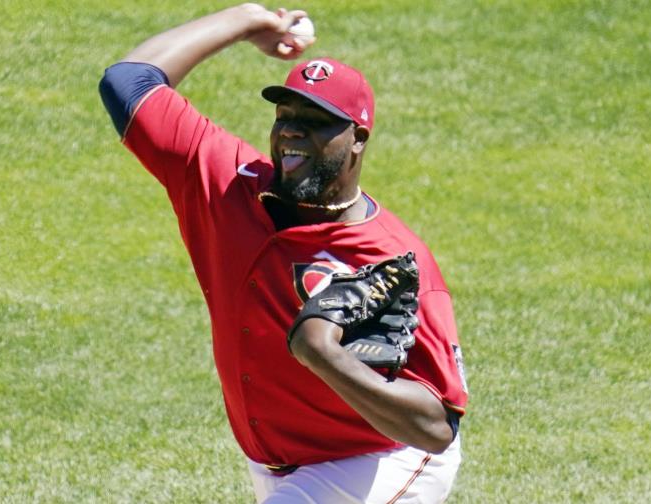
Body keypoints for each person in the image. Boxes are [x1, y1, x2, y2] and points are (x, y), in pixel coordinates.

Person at [99, 4, 469, 502]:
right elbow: (128, 83)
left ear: (357, 138)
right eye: (285, 115)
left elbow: (436, 425)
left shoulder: (394, 259)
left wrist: (326, 358)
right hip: (273, 463)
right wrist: (248, 20)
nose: (292, 130)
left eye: (316, 121)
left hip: (380, 459)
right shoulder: (226, 181)